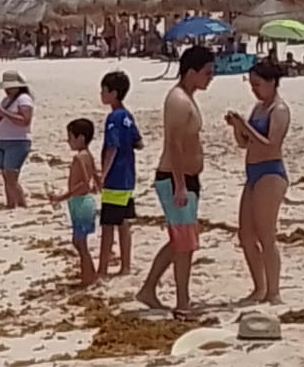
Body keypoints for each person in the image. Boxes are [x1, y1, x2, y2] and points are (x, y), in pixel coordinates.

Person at [137, 45, 215, 315]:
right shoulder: (179, 100)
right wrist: (180, 184)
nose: (210, 77)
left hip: (184, 178)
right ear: (192, 71)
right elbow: (175, 144)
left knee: (181, 240)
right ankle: (182, 302)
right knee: (185, 242)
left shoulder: (187, 98)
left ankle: (149, 289)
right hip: (175, 178)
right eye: (207, 72)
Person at [227, 59, 292, 305]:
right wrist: (237, 127)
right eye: (252, 85)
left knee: (266, 234)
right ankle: (259, 287)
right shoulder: (258, 108)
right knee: (245, 234)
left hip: (271, 173)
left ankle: (273, 291)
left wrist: (246, 126)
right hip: (253, 171)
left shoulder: (279, 110)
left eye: (258, 84)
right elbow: (245, 143)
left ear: (271, 83)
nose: (254, 89)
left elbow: (271, 144)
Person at [98, 70, 142, 278]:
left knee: (108, 225)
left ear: (113, 93)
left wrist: (102, 174)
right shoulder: (127, 115)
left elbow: (112, 148)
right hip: (128, 176)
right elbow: (139, 142)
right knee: (124, 222)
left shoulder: (114, 117)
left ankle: (103, 269)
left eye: (104, 91)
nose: (101, 94)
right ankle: (126, 266)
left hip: (115, 178)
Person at [49, 119, 101, 288]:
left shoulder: (79, 158)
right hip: (83, 203)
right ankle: (89, 274)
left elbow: (84, 183)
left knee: (81, 243)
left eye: (70, 137)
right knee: (79, 241)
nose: (68, 140)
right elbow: (95, 178)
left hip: (80, 203)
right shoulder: (88, 155)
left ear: (81, 138)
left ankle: (88, 278)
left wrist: (61, 197)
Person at [0, 69, 35, 208]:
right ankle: (16, 204)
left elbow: (25, 121)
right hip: (2, 139)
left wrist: (4, 113)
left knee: (11, 176)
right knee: (7, 176)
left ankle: (16, 204)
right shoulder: (6, 101)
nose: (7, 90)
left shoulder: (24, 99)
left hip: (18, 141)